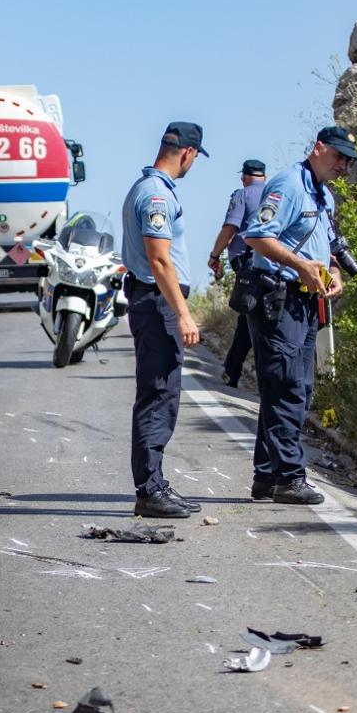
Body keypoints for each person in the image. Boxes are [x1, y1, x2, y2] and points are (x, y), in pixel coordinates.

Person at [239, 126, 357, 504]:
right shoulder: (289, 185)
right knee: (287, 386)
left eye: (348, 160)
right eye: (338, 156)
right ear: (318, 148)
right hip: (279, 296)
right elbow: (257, 235)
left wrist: (333, 273)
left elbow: (325, 248)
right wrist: (301, 266)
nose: (343, 165)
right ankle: (290, 477)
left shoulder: (324, 196)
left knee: (296, 388)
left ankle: (267, 475)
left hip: (307, 300)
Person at [121, 122, 207, 519]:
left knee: (161, 394)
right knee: (159, 394)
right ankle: (149, 489)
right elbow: (159, 260)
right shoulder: (157, 196)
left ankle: (154, 483)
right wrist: (183, 313)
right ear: (187, 153)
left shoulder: (147, 189)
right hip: (157, 305)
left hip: (153, 302)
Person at [206, 158, 268, 386]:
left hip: (247, 262)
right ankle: (234, 368)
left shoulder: (242, 195)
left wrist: (215, 256)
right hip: (275, 261)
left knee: (250, 314)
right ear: (265, 177)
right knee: (254, 315)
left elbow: (230, 228)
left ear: (244, 176)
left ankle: (235, 369)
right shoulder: (276, 192)